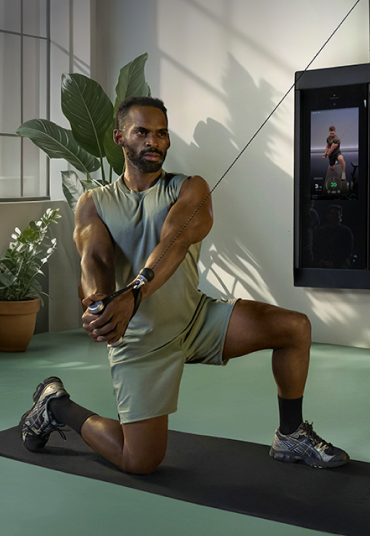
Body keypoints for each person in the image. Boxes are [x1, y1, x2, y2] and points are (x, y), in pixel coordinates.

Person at [19, 96, 349, 474]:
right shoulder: (94, 202)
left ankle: (290, 435)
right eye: (142, 132)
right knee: (139, 460)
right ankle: (55, 406)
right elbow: (94, 258)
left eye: (161, 133)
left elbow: (175, 239)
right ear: (119, 137)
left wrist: (135, 291)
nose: (153, 142)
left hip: (195, 318)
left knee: (294, 327)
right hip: (141, 338)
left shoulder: (189, 188)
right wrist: (97, 301)